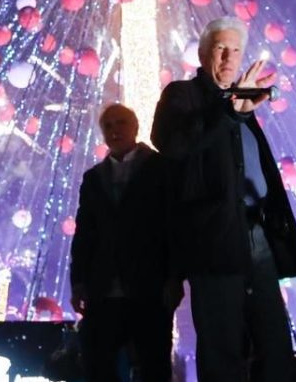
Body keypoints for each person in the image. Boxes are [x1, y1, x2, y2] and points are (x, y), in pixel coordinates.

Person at [151, 16, 296, 382]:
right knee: (222, 349)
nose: (228, 57)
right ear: (203, 54)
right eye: (220, 48)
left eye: (235, 50)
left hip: (258, 237)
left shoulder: (241, 102)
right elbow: (172, 144)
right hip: (213, 240)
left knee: (275, 346)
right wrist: (227, 113)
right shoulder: (183, 95)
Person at [69, 103, 181, 382]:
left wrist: (175, 277)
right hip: (103, 288)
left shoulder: (160, 169)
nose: (114, 130)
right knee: (98, 365)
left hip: (149, 286)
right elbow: (85, 233)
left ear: (134, 127)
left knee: (154, 364)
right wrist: (79, 281)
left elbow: (173, 226)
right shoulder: (93, 178)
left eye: (120, 123)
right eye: (108, 125)